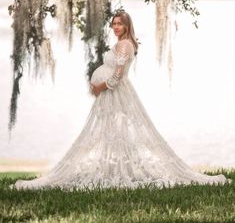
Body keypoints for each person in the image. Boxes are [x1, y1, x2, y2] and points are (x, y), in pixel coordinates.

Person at [13, 11, 230, 190]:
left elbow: (117, 75)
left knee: (119, 133)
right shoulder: (122, 43)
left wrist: (99, 86)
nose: (116, 27)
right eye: (114, 24)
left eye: (120, 24)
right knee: (111, 132)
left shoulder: (125, 45)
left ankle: (122, 170)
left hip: (115, 92)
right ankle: (112, 167)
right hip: (110, 95)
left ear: (127, 26)